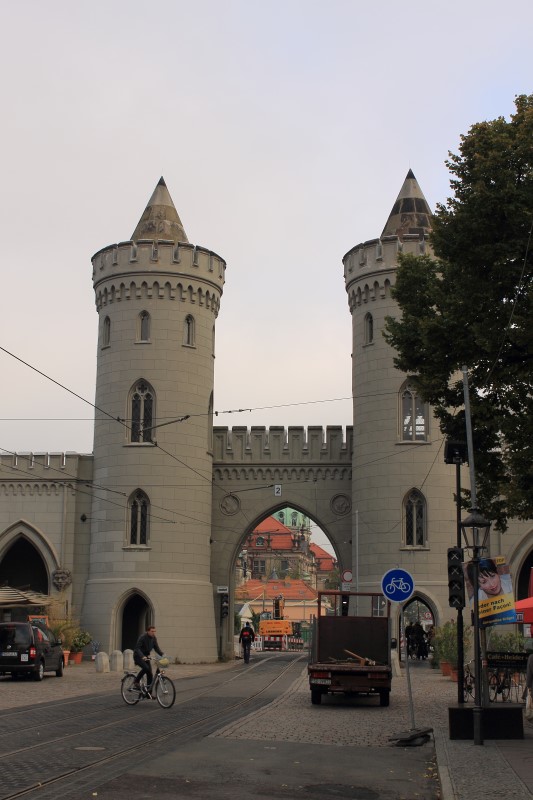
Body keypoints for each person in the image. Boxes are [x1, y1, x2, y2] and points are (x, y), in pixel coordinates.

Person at [133, 624, 164, 695]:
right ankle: (136, 681)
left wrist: (163, 655)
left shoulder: (154, 638)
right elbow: (137, 648)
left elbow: (157, 648)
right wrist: (142, 656)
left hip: (146, 656)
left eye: (154, 631)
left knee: (150, 674)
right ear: (148, 631)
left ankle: (148, 694)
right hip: (138, 656)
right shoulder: (142, 637)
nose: (153, 633)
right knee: (146, 668)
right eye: (152, 631)